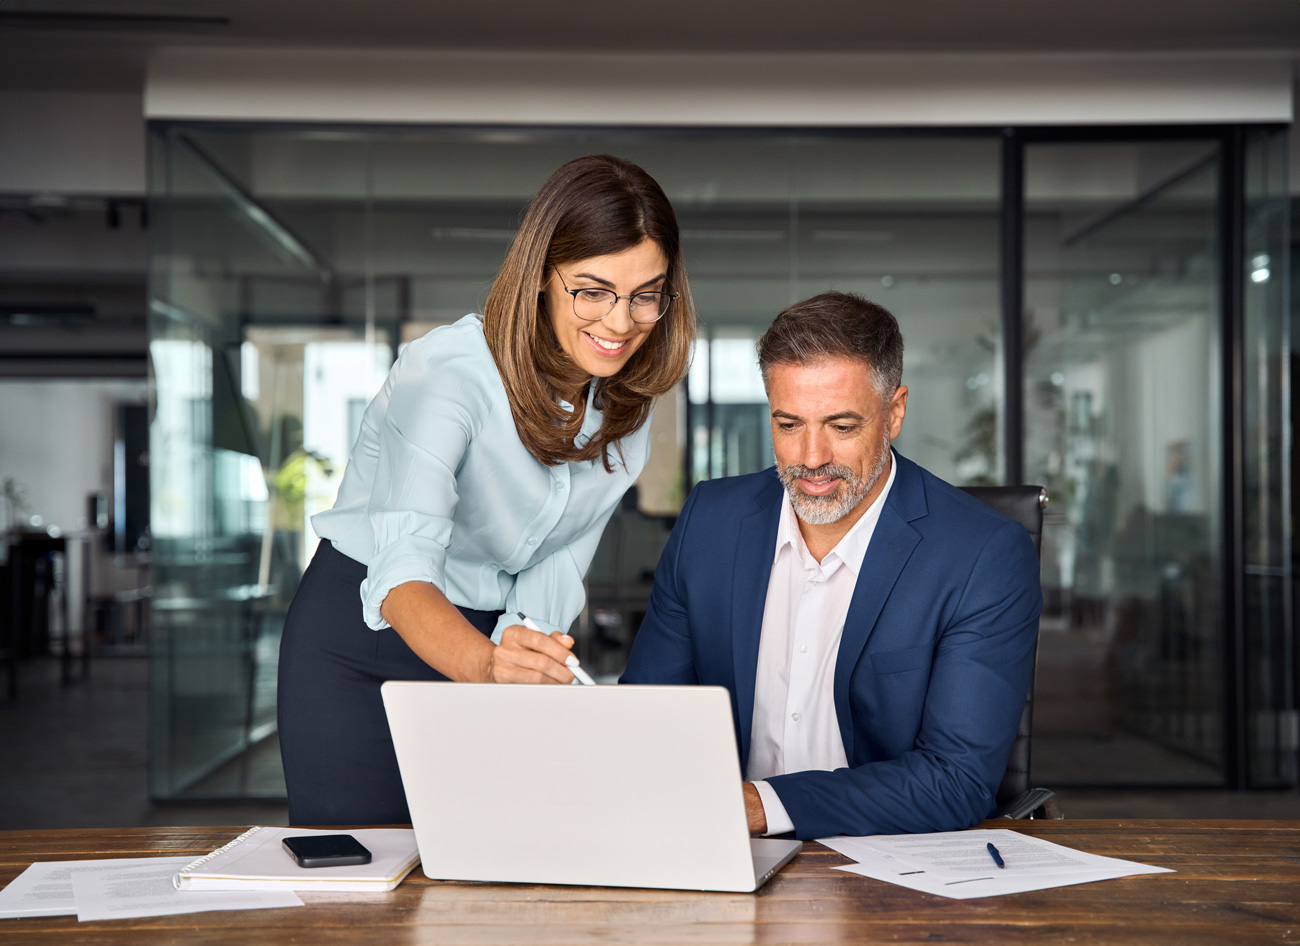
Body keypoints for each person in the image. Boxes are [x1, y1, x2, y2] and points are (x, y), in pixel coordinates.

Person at [278, 155, 696, 826]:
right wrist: (487, 668)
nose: (620, 322)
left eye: (646, 294)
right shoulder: (449, 373)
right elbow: (403, 570)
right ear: (539, 279)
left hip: (492, 641)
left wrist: (518, 661)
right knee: (365, 891)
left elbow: (557, 565)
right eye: (592, 290)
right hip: (368, 636)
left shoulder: (627, 416)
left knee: (487, 874)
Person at [621, 291, 1041, 840]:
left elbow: (954, 779)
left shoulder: (982, 555)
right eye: (789, 425)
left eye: (842, 427)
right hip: (716, 849)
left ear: (894, 412)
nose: (811, 458)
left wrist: (757, 806)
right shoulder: (710, 522)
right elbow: (646, 717)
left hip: (885, 866)